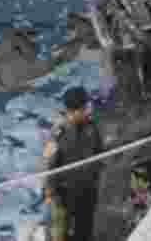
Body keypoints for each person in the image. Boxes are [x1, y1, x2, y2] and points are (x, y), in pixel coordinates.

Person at [42, 86, 104, 241]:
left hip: (87, 190)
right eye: (84, 108)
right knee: (60, 233)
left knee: (85, 231)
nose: (87, 111)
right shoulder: (58, 133)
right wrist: (51, 194)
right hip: (65, 193)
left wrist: (95, 177)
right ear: (74, 110)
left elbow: (99, 152)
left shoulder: (91, 127)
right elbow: (49, 164)